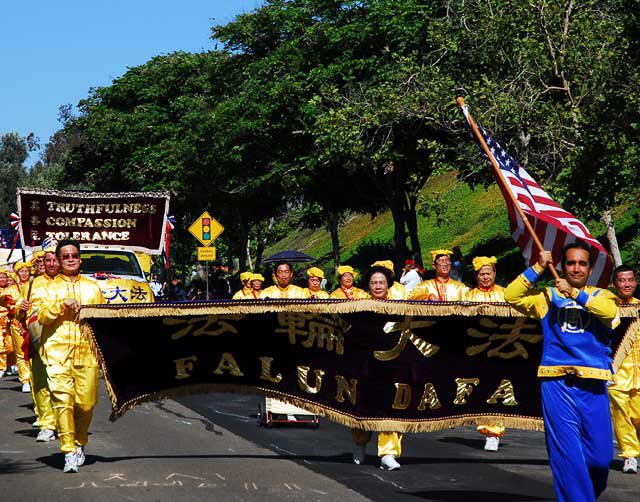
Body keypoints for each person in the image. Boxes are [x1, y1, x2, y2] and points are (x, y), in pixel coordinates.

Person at [505, 242, 619, 501]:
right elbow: (511, 296)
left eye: (582, 263)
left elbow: (609, 313)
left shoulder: (603, 296)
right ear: (562, 266)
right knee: (566, 454)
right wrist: (537, 267)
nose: (576, 268)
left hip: (593, 384)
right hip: (556, 383)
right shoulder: (546, 297)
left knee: (601, 458)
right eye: (570, 263)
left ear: (590, 270)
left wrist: (575, 294)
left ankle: (585, 493)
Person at [38, 239, 106, 473]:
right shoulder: (47, 287)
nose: (70, 259)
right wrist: (61, 305)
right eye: (65, 255)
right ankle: (68, 450)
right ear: (58, 260)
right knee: (62, 403)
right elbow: (43, 317)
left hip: (87, 353)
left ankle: (80, 443)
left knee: (86, 405)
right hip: (57, 353)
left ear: (80, 258)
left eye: (74, 255)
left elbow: (101, 321)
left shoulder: (93, 288)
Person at [351, 266, 403, 470]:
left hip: (392, 366)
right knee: (363, 406)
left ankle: (388, 453)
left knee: (391, 409)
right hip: (365, 366)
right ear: (368, 286)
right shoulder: (358, 307)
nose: (378, 286)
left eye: (381, 282)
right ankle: (359, 444)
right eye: (374, 282)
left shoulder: (400, 308)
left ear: (388, 285)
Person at [464, 256, 507, 451]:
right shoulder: (468, 296)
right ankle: (486, 429)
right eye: (482, 274)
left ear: (495, 274)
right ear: (476, 276)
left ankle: (495, 432)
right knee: (482, 390)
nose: (485, 277)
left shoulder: (506, 294)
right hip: (478, 349)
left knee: (499, 389)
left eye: (489, 273)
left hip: (502, 349)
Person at [21, 247, 60, 442]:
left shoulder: (68, 283)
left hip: (62, 341)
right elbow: (21, 313)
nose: (51, 264)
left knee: (62, 384)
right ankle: (47, 424)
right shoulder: (32, 283)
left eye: (55, 260)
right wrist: (22, 310)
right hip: (37, 338)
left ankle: (65, 423)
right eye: (48, 260)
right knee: (41, 382)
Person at [609, 265, 640, 474]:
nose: (626, 284)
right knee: (621, 415)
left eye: (629, 280)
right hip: (616, 372)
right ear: (614, 283)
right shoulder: (607, 308)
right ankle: (629, 454)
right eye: (621, 280)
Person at [5, 261, 33, 392]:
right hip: (17, 324)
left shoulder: (35, 286)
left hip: (33, 323)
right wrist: (12, 306)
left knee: (34, 352)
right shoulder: (11, 289)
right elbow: (4, 299)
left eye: (26, 271)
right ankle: (25, 380)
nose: (24, 274)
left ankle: (35, 378)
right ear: (17, 273)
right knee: (21, 352)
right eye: (21, 271)